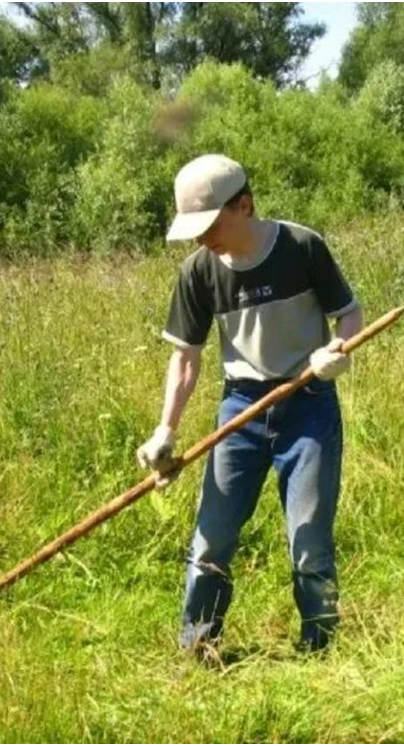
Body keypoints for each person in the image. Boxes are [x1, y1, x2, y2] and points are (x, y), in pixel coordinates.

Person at [136, 153, 363, 656]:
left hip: (307, 404)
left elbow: (349, 316)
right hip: (239, 412)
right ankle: (198, 648)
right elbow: (186, 360)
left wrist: (336, 351)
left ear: (244, 206)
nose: (202, 239)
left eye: (210, 224)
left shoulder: (302, 247)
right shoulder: (197, 272)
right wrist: (165, 431)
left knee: (309, 544)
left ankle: (319, 650)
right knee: (210, 540)